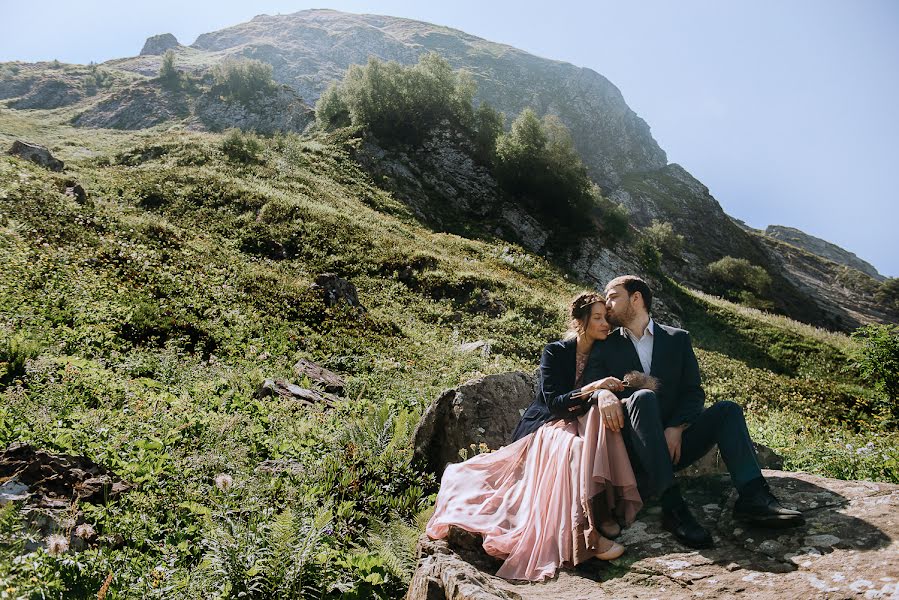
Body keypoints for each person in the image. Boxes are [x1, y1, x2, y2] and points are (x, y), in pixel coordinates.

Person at [426, 292, 643, 581]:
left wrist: (609, 390)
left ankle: (604, 512)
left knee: (598, 434)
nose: (606, 324)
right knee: (574, 449)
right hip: (549, 423)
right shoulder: (555, 351)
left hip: (583, 420)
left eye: (607, 318)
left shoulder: (606, 351)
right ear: (580, 322)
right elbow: (553, 402)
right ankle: (585, 536)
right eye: (598, 318)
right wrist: (594, 388)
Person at [584, 275, 804, 550]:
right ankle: (673, 508)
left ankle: (754, 498)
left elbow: (693, 393)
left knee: (728, 410)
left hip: (674, 446)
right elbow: (587, 388)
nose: (607, 303)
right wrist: (602, 393)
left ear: (636, 298)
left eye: (613, 295)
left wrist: (676, 427)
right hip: (632, 452)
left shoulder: (678, 339)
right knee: (642, 397)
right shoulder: (605, 344)